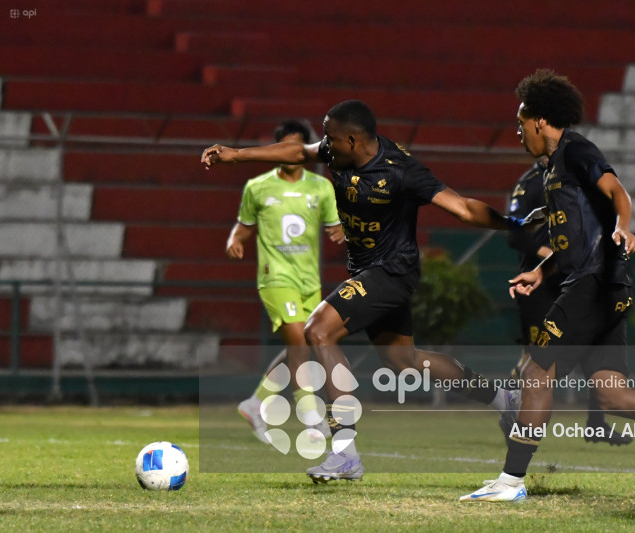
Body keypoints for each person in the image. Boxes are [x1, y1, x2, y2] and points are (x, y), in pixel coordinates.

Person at [203, 100, 529, 483]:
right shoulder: (338, 150)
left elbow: (461, 208)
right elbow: (297, 150)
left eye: (331, 139)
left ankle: (345, 453)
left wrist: (514, 225)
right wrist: (235, 155)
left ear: (353, 140)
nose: (324, 145)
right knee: (403, 359)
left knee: (319, 330)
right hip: (370, 271)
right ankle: (503, 399)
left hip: (392, 272)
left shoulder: (400, 170)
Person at [460, 69, 635, 502]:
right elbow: (574, 240)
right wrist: (541, 270)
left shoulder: (575, 150)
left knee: (537, 371)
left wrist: (624, 227)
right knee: (612, 393)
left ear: (538, 120)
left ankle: (511, 482)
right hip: (604, 283)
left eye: (520, 125)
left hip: (593, 283)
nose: (518, 134)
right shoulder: (554, 170)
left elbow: (617, 191)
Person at [229, 120, 344, 444]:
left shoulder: (320, 188)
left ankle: (256, 404)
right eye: (283, 147)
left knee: (302, 344)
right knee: (297, 339)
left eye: (296, 147)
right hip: (275, 277)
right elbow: (244, 225)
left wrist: (342, 230)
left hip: (309, 280)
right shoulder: (258, 187)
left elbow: (337, 225)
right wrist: (234, 240)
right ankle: (310, 413)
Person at [507, 159, 632, 446]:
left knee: (593, 349)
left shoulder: (572, 180)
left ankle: (597, 424)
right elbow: (516, 237)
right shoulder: (530, 183)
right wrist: (552, 256)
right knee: (536, 359)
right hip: (541, 285)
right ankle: (513, 413)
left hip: (575, 280)